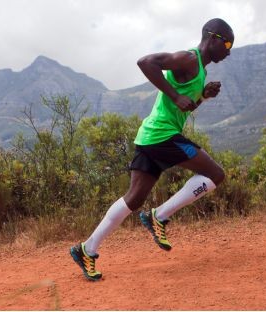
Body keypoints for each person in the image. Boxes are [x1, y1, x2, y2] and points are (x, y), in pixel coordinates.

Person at [70, 18, 234, 281]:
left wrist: (202, 96)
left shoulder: (200, 70)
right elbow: (146, 62)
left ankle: (86, 249)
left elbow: (184, 108)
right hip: (162, 136)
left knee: (133, 199)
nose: (228, 50)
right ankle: (159, 215)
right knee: (216, 175)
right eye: (227, 43)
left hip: (149, 137)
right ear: (212, 38)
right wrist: (174, 95)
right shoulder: (189, 59)